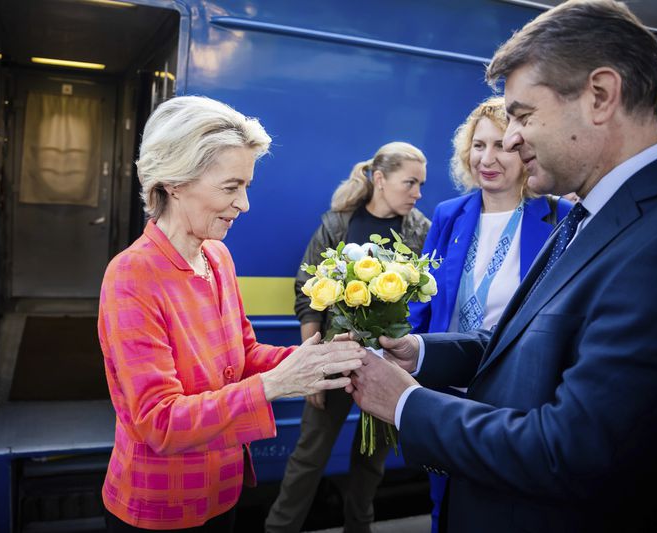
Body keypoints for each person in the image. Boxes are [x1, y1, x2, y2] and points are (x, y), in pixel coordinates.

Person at [347, 1, 657, 531]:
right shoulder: (595, 211)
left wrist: (408, 405)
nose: (509, 139)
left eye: (524, 116)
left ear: (600, 95)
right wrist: (418, 353)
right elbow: (518, 342)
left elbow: (572, 449)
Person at [97, 95, 366, 532]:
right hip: (161, 507)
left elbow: (241, 354)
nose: (244, 204)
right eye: (230, 187)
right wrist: (275, 385)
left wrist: (317, 360)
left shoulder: (217, 256)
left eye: (246, 186)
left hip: (222, 489)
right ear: (175, 182)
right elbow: (159, 421)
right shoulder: (131, 275)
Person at [406, 96, 571, 532]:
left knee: (501, 506)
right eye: (478, 146)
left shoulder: (559, 216)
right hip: (444, 385)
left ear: (524, 151)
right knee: (442, 502)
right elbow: (422, 298)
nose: (487, 158)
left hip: (512, 393)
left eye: (500, 145)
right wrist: (404, 358)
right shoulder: (448, 215)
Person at [265, 142, 431, 533]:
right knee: (310, 456)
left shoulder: (421, 230)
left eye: (421, 184)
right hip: (333, 360)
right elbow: (309, 292)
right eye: (410, 182)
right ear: (380, 179)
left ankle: (360, 527)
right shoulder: (338, 224)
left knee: (372, 461)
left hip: (390, 364)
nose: (418, 193)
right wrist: (311, 365)